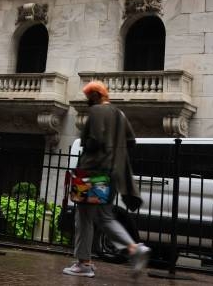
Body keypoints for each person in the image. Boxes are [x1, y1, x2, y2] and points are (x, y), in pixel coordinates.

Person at [64, 81, 150, 279]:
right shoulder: (119, 113)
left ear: (95, 95)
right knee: (105, 216)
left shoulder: (95, 112)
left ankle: (83, 263)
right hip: (113, 174)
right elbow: (131, 142)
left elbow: (94, 141)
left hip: (92, 173)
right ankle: (133, 248)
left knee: (83, 217)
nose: (87, 100)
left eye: (88, 96)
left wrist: (88, 144)